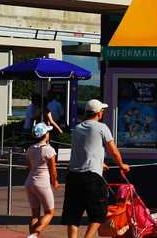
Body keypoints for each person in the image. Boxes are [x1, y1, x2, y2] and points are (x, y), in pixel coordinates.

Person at [61, 99, 130, 238]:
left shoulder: (77, 129)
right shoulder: (101, 127)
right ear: (99, 113)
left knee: (73, 217)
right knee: (99, 213)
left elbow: (83, 151)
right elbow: (114, 151)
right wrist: (122, 165)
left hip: (74, 176)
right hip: (91, 178)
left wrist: (99, 162)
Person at [25, 122, 60, 238]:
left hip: (30, 182)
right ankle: (34, 234)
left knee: (35, 215)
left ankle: (32, 235)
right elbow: (53, 171)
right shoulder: (49, 150)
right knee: (49, 213)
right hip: (42, 183)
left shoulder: (30, 149)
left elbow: (29, 168)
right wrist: (54, 182)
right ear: (45, 135)